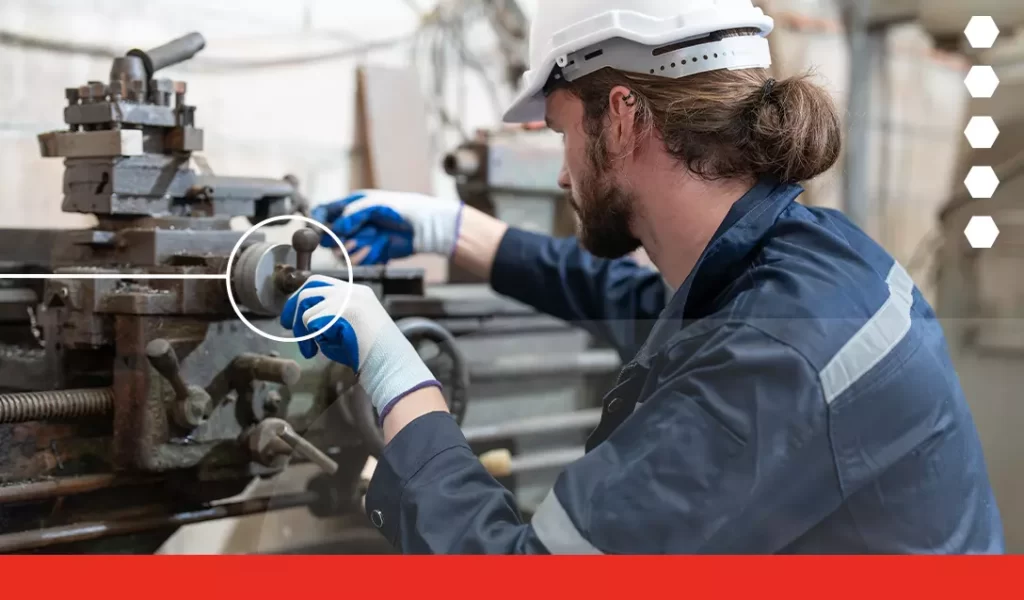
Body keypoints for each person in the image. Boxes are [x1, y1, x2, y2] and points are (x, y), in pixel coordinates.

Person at [283, 1, 1005, 553]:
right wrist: (448, 229)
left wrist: (396, 377)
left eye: (564, 129)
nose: (564, 169)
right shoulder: (800, 258)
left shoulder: (776, 356)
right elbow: (639, 302)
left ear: (623, 117)